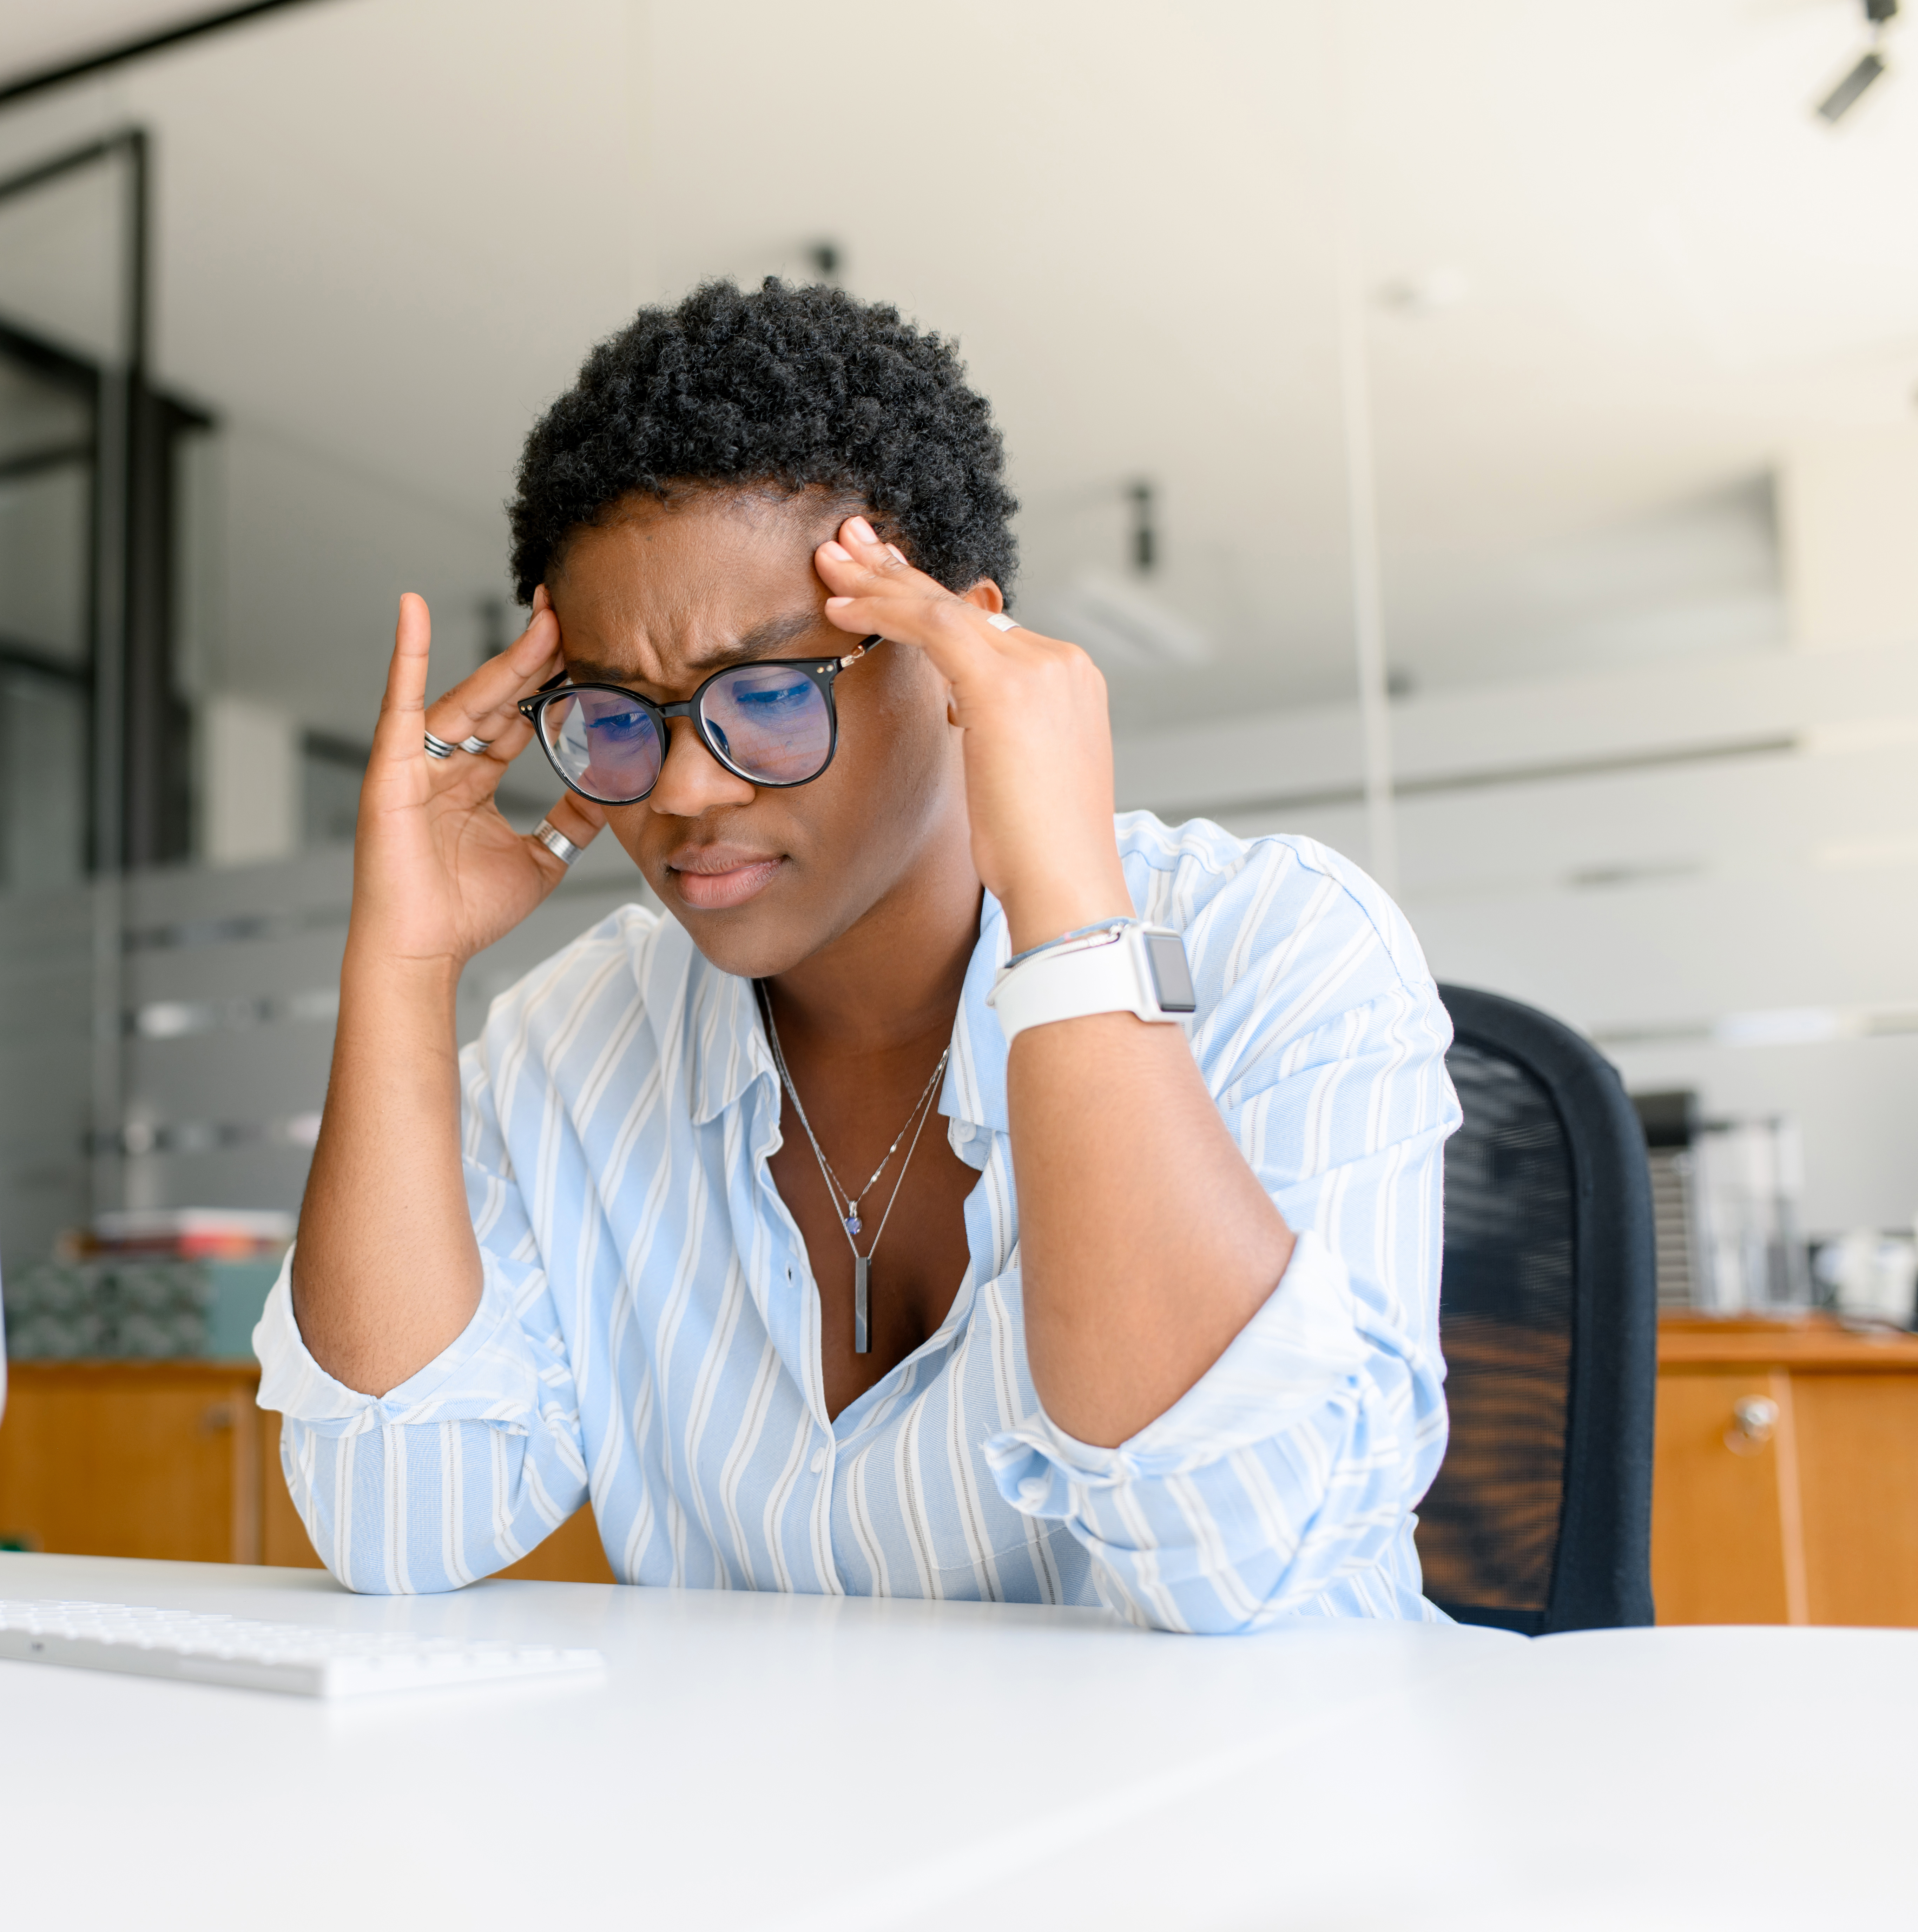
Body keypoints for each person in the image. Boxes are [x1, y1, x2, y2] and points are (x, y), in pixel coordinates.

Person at [253, 279, 1457, 1632]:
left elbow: (1251, 1570)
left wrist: (1068, 913)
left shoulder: (1280, 948)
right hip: (793, 1834)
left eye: (768, 694)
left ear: (958, 657)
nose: (685, 792)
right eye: (614, 712)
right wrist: (403, 971)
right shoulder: (564, 1046)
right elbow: (398, 1522)